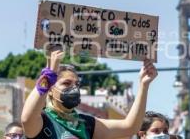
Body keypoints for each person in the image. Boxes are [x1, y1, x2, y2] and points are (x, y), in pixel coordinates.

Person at [21, 50, 158, 139]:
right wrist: (49, 75)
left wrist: (144, 85)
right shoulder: (43, 121)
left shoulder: (86, 124)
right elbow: (27, 118)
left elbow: (130, 127)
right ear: (51, 89)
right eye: (66, 83)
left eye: (77, 85)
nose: (74, 88)